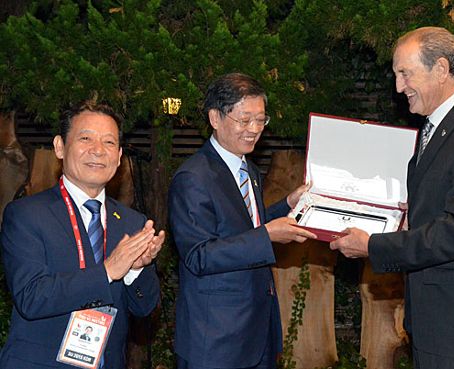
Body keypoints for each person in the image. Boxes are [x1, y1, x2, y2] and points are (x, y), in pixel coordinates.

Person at [330, 27, 454, 369]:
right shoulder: (445, 120)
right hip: (438, 320)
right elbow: (449, 199)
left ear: (441, 68)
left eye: (405, 74)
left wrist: (374, 246)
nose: (398, 87)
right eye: (395, 75)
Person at [0, 100, 165, 369]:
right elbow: (31, 297)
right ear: (60, 147)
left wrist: (136, 269)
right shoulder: (27, 214)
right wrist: (108, 271)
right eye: (85, 138)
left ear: (120, 155)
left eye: (109, 143)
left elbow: (144, 309)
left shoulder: (132, 222)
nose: (98, 151)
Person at [169, 72, 316, 369]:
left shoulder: (248, 169)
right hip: (216, 339)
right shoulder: (193, 177)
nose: (254, 130)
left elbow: (245, 227)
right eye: (244, 120)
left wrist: (287, 205)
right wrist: (267, 236)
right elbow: (199, 255)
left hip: (256, 332)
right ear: (215, 118)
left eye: (261, 120)